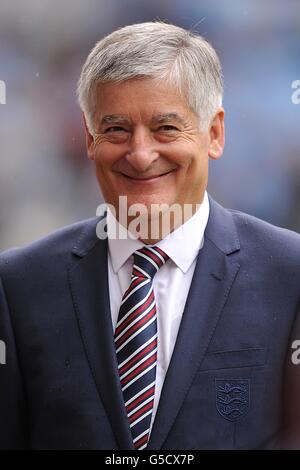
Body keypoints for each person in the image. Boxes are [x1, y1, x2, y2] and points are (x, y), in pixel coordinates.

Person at [0, 21, 299, 451]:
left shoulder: (289, 274)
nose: (140, 156)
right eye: (117, 128)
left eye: (167, 128)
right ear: (89, 136)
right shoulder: (19, 284)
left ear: (214, 133)